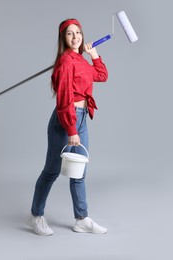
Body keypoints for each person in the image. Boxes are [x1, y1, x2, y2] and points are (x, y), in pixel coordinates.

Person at [26, 18, 108, 236]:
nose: (75, 37)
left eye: (78, 32)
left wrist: (94, 55)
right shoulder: (65, 61)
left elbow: (101, 75)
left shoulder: (80, 60)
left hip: (81, 119)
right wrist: (71, 129)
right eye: (70, 33)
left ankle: (81, 219)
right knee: (51, 171)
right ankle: (35, 216)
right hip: (65, 119)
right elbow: (63, 98)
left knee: (79, 172)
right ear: (63, 38)